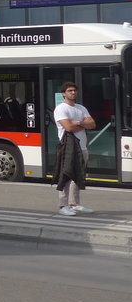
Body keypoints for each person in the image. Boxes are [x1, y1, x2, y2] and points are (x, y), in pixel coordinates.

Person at [54, 82, 95, 216]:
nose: (73, 93)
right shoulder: (61, 109)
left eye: (74, 90)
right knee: (66, 175)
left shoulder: (81, 108)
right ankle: (63, 205)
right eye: (70, 90)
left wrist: (76, 122)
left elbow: (92, 124)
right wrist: (83, 124)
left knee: (78, 176)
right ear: (63, 94)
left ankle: (74, 204)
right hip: (68, 148)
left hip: (82, 147)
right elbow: (68, 128)